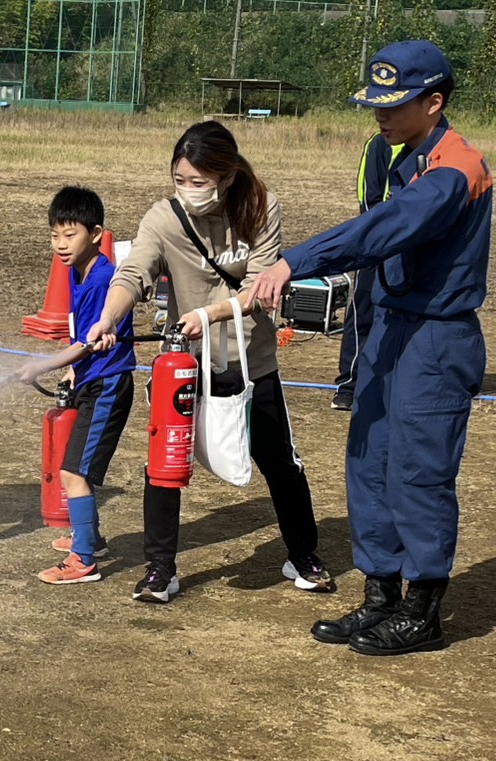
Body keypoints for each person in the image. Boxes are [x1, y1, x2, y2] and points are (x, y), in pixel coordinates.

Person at [248, 40, 492, 657]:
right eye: (374, 102)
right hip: (387, 326)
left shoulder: (453, 170)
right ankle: (381, 594)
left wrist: (294, 262)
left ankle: (423, 608)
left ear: (434, 103)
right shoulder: (398, 153)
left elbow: (383, 229)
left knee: (418, 471)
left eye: (395, 103)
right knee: (368, 460)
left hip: (435, 337)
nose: (379, 115)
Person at [88, 121, 334, 603]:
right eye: (179, 180)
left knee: (280, 462)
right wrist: (107, 319)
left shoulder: (261, 210)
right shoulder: (163, 218)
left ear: (226, 176)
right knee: (164, 464)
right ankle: (161, 569)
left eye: (197, 182)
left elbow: (260, 289)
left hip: (250, 360)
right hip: (183, 363)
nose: (187, 191)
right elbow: (134, 272)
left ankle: (303, 554)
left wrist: (209, 312)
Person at [13, 187, 136, 584]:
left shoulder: (102, 279)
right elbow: (79, 333)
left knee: (73, 473)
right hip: (90, 381)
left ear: (96, 233)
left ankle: (83, 561)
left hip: (108, 386)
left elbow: (86, 345)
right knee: (74, 467)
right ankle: (90, 537)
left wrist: (43, 365)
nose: (61, 245)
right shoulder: (74, 271)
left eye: (71, 235)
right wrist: (68, 371)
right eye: (55, 235)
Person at [332, 133, 398, 411]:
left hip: (416, 248)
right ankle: (348, 384)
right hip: (376, 244)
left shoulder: (437, 144)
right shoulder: (379, 145)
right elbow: (369, 200)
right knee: (362, 313)